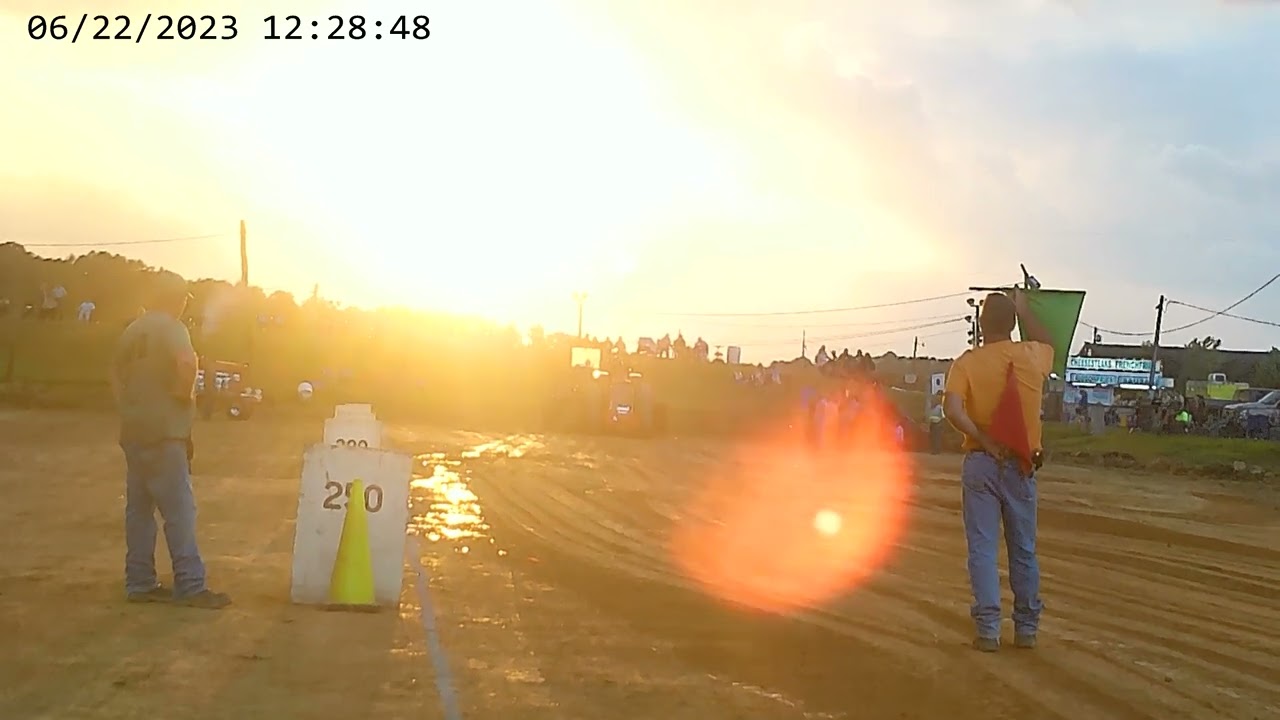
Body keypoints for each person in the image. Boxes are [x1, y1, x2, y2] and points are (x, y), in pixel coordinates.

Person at [110, 271, 230, 609]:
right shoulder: (173, 328)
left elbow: (115, 374)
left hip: (134, 429)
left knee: (139, 510)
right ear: (178, 299)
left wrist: (128, 407)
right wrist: (182, 396)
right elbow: (186, 362)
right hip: (165, 430)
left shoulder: (132, 331)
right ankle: (191, 585)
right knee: (179, 510)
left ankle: (140, 582)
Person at [943, 289, 1053, 652]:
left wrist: (981, 438)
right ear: (1013, 323)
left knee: (983, 549)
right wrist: (1025, 307)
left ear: (979, 323)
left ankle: (988, 631)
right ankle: (1027, 630)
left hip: (981, 462)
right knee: (1023, 550)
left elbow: (953, 409)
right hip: (1022, 463)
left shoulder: (967, 362)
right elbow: (1049, 341)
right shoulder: (1033, 355)